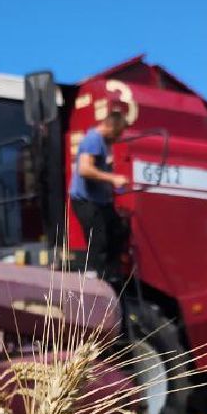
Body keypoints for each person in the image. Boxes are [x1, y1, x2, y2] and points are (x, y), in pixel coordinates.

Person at [69, 100, 131, 282]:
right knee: (98, 241)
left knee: (118, 230)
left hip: (100, 201)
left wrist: (113, 183)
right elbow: (84, 170)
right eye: (118, 134)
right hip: (85, 201)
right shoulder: (93, 139)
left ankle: (112, 275)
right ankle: (95, 280)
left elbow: (98, 172)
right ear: (111, 128)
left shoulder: (103, 143)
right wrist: (113, 178)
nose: (118, 138)